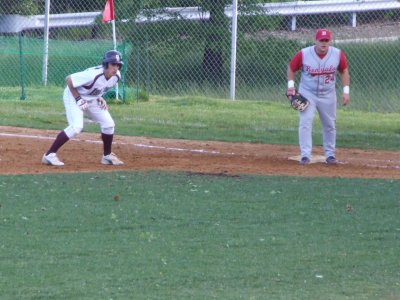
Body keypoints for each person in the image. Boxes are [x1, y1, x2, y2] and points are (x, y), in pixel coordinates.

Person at [42, 50, 124, 166]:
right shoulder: (93, 74)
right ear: (106, 64)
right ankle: (49, 155)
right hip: (73, 95)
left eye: (118, 65)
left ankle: (107, 156)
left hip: (92, 98)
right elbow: (69, 79)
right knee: (76, 127)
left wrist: (99, 97)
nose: (115, 68)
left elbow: (101, 87)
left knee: (109, 124)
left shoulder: (116, 76)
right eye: (113, 64)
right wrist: (78, 99)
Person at [287, 29, 350, 165]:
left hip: (328, 94)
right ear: (316, 41)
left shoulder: (337, 54)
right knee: (305, 122)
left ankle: (330, 155)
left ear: (330, 41)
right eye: (321, 40)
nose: (324, 43)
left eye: (326, 40)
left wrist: (346, 91)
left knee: (330, 125)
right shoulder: (304, 54)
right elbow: (292, 68)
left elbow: (344, 71)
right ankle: (305, 155)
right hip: (307, 93)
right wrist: (291, 86)